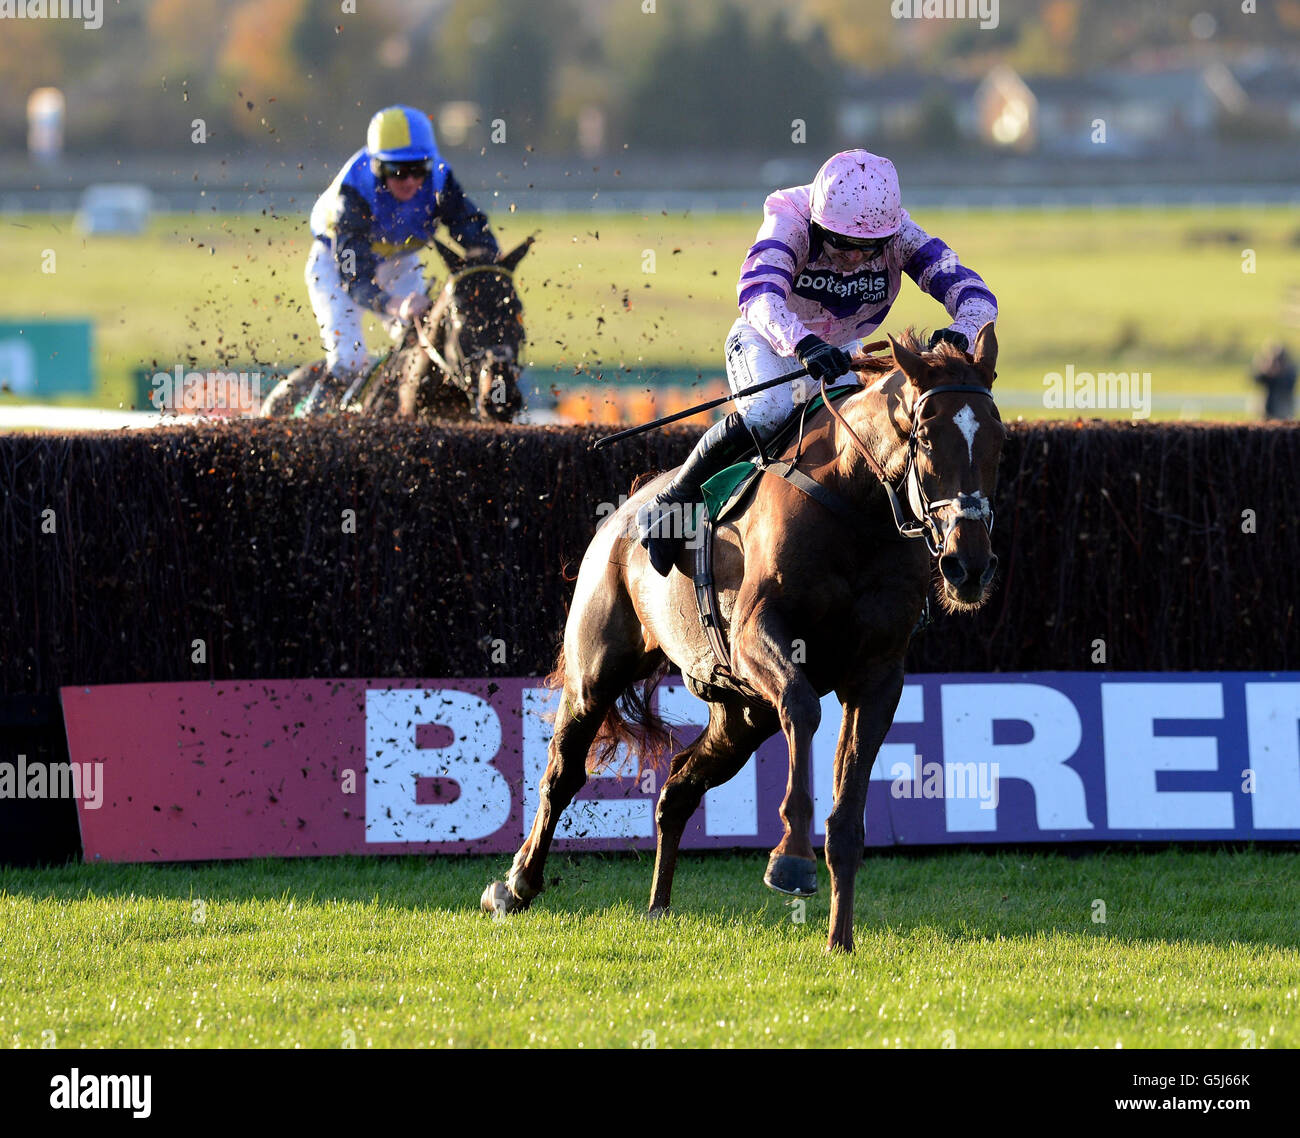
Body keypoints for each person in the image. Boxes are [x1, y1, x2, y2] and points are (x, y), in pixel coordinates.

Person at [636, 149, 999, 576]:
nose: (853, 258)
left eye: (869, 249)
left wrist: (964, 326)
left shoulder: (901, 233)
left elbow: (974, 291)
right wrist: (803, 344)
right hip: (768, 341)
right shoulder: (789, 220)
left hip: (844, 350)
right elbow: (759, 295)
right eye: (843, 244)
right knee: (769, 413)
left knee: (871, 436)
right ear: (818, 223)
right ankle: (673, 504)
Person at [305, 105, 499, 406]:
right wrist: (396, 305)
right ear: (376, 167)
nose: (410, 181)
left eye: (418, 169)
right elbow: (356, 279)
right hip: (336, 263)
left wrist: (486, 264)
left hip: (401, 261)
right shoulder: (353, 194)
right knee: (350, 360)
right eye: (397, 171)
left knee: (420, 344)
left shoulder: (440, 179)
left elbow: (469, 226)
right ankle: (310, 426)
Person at [1252, 342, 1296, 421]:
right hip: (1266, 411)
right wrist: (1266, 371)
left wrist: (1278, 374)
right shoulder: (1267, 369)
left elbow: (1289, 384)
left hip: (1284, 412)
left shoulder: (1290, 370)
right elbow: (1256, 379)